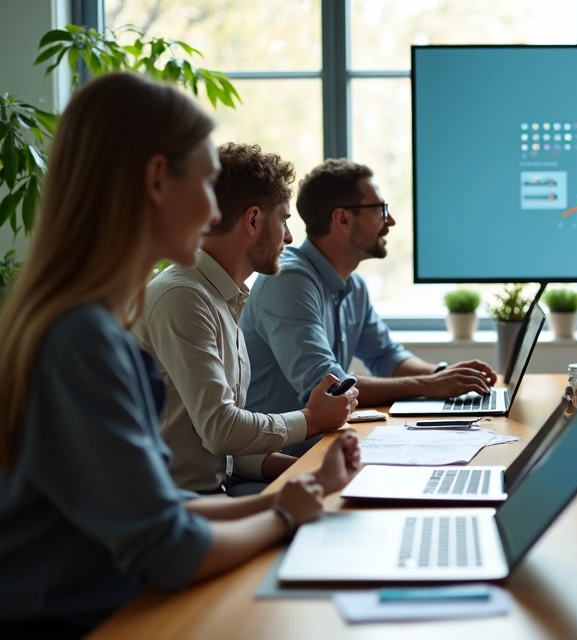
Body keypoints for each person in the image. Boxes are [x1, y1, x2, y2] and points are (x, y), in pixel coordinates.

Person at [0, 73, 361, 638]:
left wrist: (291, 498)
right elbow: (167, 547)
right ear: (157, 182)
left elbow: (162, 511)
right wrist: (285, 515)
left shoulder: (78, 325)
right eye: (209, 184)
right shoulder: (85, 342)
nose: (214, 211)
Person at [135, 142, 357, 496]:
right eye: (284, 220)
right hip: (175, 508)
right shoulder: (182, 297)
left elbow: (223, 450)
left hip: (214, 493)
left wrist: (314, 472)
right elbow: (220, 429)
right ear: (253, 220)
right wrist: (311, 419)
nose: (289, 237)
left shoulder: (223, 297)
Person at [240, 159, 496, 415]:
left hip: (326, 443)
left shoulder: (353, 286)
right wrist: (430, 385)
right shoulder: (288, 280)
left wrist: (447, 376)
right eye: (380, 209)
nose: (391, 220)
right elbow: (330, 386)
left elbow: (385, 356)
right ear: (343, 219)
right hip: (286, 452)